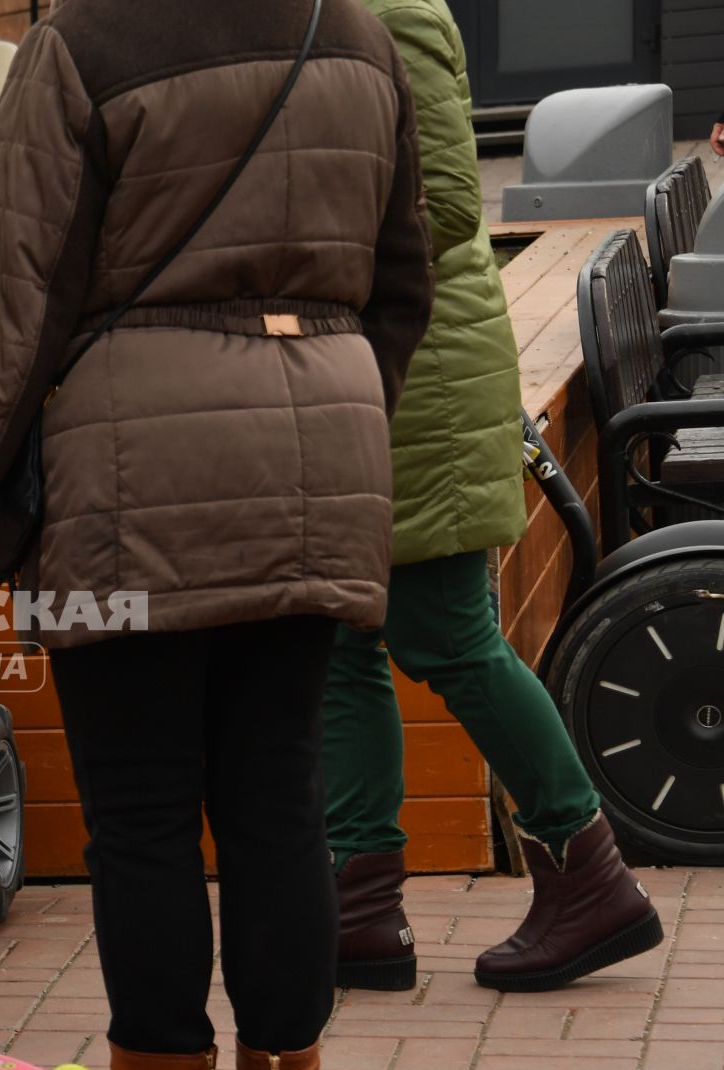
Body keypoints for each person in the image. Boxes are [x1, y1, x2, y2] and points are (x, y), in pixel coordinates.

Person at [0, 0, 435, 1070]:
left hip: (132, 488)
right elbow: (405, 284)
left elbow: (2, 337)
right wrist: (321, 407)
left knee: (146, 825)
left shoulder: (90, 44)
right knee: (279, 807)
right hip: (319, 468)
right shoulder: (359, 36)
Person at [327, 0, 664, 996]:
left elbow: (437, 202)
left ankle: (587, 872)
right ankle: (358, 911)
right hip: (377, 369)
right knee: (346, 640)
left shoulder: (390, 13)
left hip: (415, 373)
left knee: (445, 634)